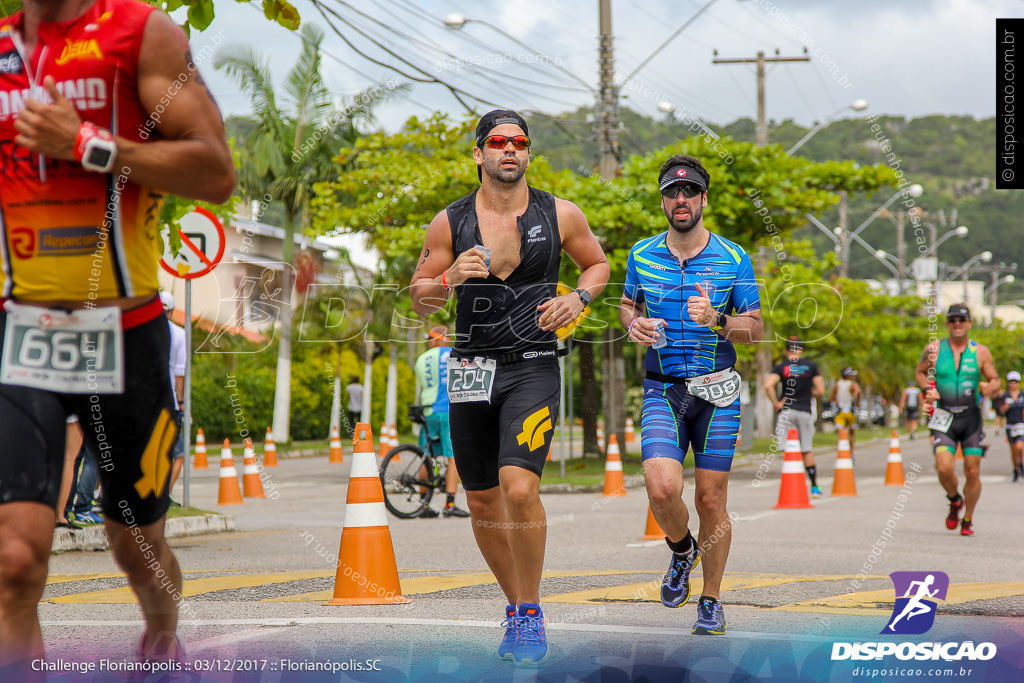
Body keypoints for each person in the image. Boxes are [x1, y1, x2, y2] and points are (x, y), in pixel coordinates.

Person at [0, 0, 235, 669]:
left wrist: (88, 144)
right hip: (20, 336)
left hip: (127, 333)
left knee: (135, 544)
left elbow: (214, 171)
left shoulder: (141, 33)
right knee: (14, 559)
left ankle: (163, 639)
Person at [410, 109, 609, 664]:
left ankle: (531, 607)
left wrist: (579, 299)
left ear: (528, 153)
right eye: (498, 142)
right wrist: (449, 279)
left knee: (518, 488)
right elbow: (418, 294)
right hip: (472, 366)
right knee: (480, 499)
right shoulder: (448, 223)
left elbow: (597, 265)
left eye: (519, 143)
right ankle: (515, 607)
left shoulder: (561, 213)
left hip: (533, 363)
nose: (509, 151)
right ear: (478, 153)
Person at [620, 154, 762, 637]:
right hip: (663, 389)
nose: (679, 200)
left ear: (703, 198)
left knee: (711, 498)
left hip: (716, 392)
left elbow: (756, 329)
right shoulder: (641, 254)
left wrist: (718, 320)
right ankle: (683, 551)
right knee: (660, 487)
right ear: (662, 200)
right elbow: (626, 305)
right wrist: (633, 324)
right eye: (670, 193)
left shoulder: (733, 257)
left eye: (689, 192)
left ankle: (711, 599)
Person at [917, 304, 1000, 537]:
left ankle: (968, 518)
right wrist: (927, 389)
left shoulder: (980, 352)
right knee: (943, 468)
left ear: (969, 323)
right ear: (947, 323)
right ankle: (954, 499)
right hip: (943, 416)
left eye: (961, 320)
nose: (957, 324)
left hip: (971, 417)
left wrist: (988, 387)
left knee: (972, 471)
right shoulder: (933, 349)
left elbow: (995, 381)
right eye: (953, 320)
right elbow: (920, 371)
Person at [414, 325, 470, 518]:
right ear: (446, 338)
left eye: (430, 337)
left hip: (428, 411)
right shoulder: (453, 354)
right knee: (454, 457)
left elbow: (424, 385)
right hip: (447, 410)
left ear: (436, 339)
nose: (429, 341)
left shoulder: (421, 358)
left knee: (426, 456)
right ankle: (450, 504)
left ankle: (423, 505)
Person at [765, 337, 826, 497]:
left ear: (786, 351)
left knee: (788, 450)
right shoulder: (811, 366)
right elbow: (820, 390)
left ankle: (791, 488)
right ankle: (814, 487)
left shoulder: (782, 367)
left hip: (786, 412)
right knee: (806, 450)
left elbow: (768, 385)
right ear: (801, 350)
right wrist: (808, 393)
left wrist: (776, 403)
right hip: (805, 411)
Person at [162, 291, 187, 504]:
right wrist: (181, 403)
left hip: (143, 401)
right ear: (171, 311)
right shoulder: (178, 334)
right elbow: (180, 373)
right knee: (177, 453)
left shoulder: (142, 331)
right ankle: (164, 496)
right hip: (169, 402)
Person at [997, 371, 1024, 482]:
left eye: (1015, 381)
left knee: (1019, 447)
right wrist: (1005, 407)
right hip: (1010, 425)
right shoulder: (1005, 395)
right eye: (1011, 381)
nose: (1013, 384)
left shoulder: (1022, 394)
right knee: (1013, 450)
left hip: (1021, 424)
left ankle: (1021, 464)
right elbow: (1000, 411)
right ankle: (1015, 469)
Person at [829, 367, 861, 456]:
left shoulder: (837, 384)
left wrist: (836, 402)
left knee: (841, 434)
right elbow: (858, 393)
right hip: (850, 411)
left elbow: (831, 398)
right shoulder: (853, 384)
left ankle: (842, 454)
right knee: (851, 434)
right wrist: (857, 403)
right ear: (848, 376)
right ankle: (851, 454)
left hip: (840, 412)